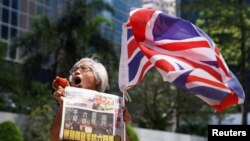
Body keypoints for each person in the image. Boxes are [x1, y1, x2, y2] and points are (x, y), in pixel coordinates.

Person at [50, 56, 131, 141]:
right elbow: (55, 137)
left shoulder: (114, 106)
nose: (76, 72)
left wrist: (123, 124)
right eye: (74, 70)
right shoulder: (65, 102)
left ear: (97, 79)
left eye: (84, 68)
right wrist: (64, 103)